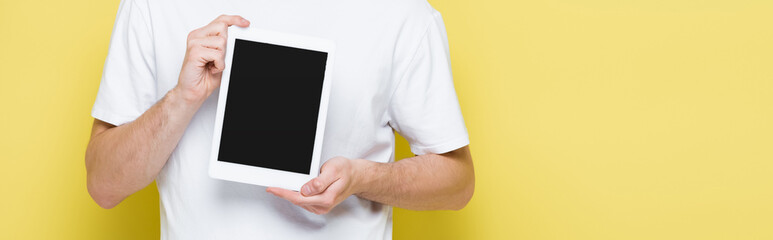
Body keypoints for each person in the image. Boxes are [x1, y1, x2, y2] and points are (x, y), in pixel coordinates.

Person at [85, 0, 474, 239]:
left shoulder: (401, 13)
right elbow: (104, 184)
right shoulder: (155, 5)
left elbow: (457, 184)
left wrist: (363, 178)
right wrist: (182, 98)